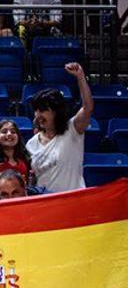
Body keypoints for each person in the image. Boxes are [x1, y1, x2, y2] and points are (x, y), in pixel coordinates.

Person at [26, 64, 94, 193]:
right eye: (36, 110)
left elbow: (88, 108)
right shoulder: (31, 143)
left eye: (43, 110)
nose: (38, 115)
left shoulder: (72, 130)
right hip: (46, 204)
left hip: (73, 202)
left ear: (56, 111)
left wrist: (80, 76)